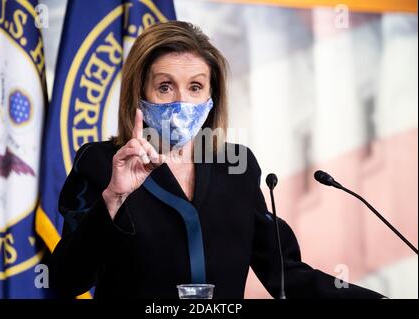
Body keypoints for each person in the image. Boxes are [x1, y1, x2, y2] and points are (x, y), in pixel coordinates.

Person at [50, 21, 384, 299]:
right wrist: (114, 198)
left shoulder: (236, 166)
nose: (182, 100)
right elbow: (65, 280)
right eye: (165, 87)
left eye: (195, 87)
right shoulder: (102, 163)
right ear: (139, 93)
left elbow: (285, 273)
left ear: (212, 97)